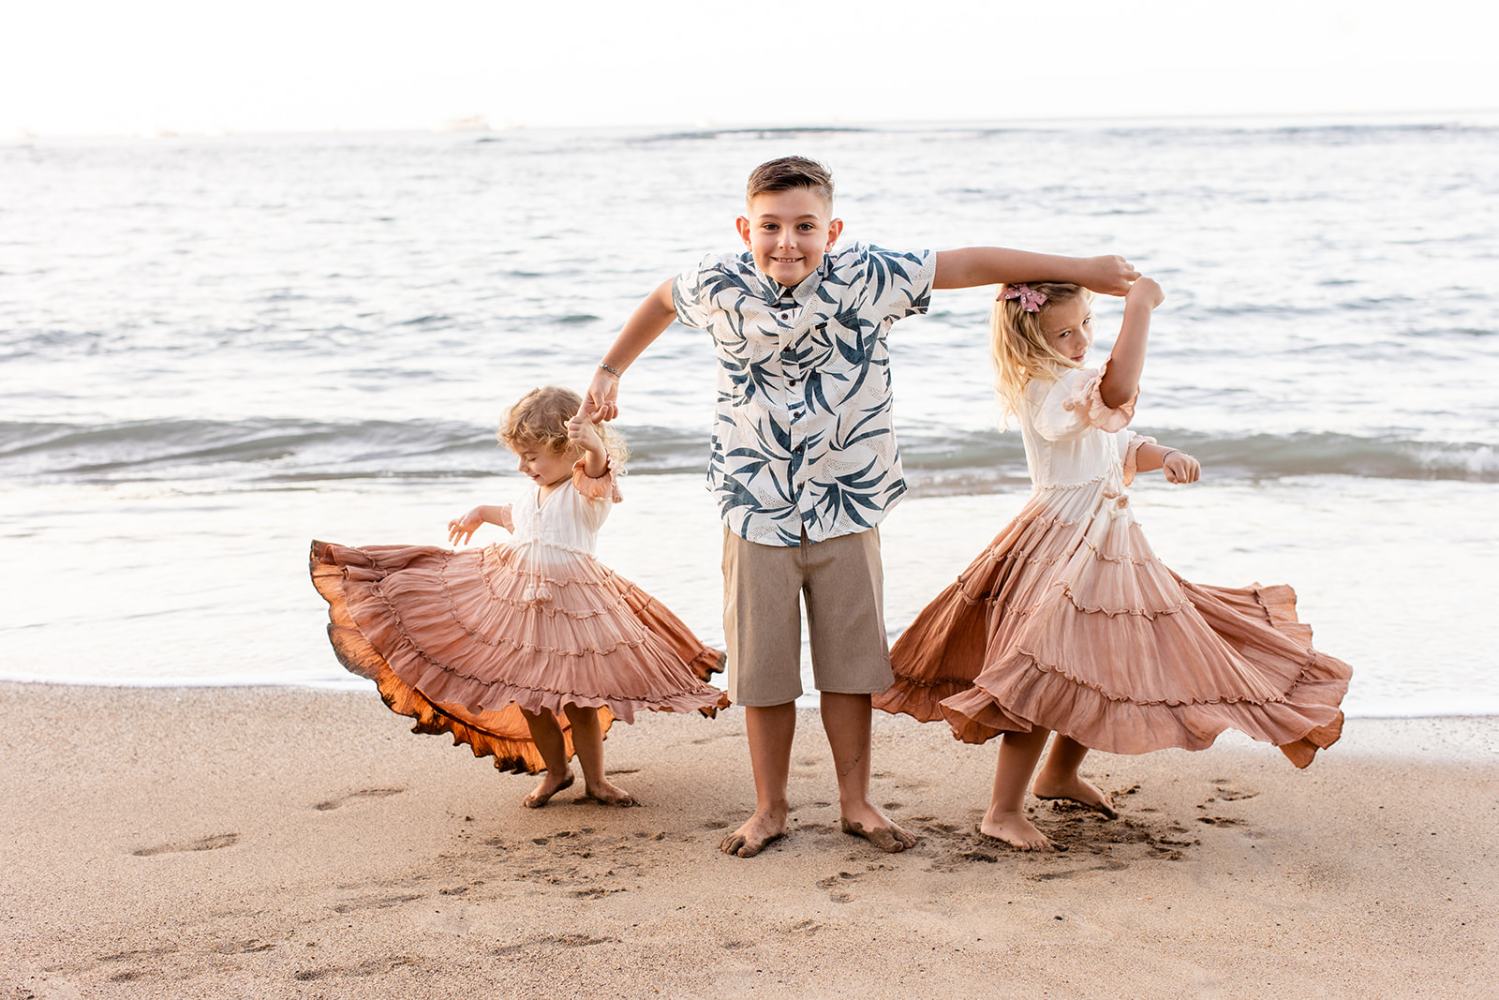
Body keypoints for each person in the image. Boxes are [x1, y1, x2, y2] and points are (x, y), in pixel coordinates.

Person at [581, 156, 1139, 857]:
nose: (787, 241)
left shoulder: (868, 276)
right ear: (743, 227)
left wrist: (1080, 269)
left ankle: (857, 803)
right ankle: (769, 809)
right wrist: (608, 370)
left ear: (831, 229)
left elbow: (967, 263)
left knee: (851, 667)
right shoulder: (717, 282)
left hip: (849, 503)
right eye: (770, 226)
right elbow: (663, 299)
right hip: (754, 508)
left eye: (805, 226)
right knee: (763, 672)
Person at [874, 278, 1352, 850]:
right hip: (1064, 543)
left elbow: (1118, 446)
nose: (1080, 341)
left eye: (1085, 326)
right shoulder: (1047, 388)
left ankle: (1060, 774)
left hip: (1113, 545)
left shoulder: (1074, 389)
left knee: (1105, 664)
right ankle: (1001, 811)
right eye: (1064, 332)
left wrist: (1166, 454)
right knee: (1042, 670)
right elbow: (1115, 387)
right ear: (1031, 337)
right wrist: (1140, 308)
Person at [310, 386, 726, 809]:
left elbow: (598, 468)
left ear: (567, 449)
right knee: (530, 699)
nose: (522, 465)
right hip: (519, 608)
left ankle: (596, 781)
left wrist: (594, 444)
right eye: (519, 455)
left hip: (575, 612)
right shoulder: (534, 495)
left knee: (580, 702)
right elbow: (511, 516)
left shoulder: (585, 494)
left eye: (531, 456)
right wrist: (478, 513)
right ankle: (557, 771)